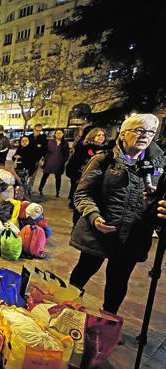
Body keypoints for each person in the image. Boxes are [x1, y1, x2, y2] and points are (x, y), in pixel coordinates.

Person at [69, 114, 164, 315]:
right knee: (82, 272)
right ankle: (67, 309)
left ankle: (108, 322)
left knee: (118, 281)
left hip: (133, 237)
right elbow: (83, 193)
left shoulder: (159, 166)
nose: (145, 136)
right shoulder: (104, 160)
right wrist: (94, 216)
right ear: (123, 133)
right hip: (99, 234)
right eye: (139, 130)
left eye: (150, 132)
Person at [66, 126, 107, 216]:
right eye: (98, 135)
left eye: (103, 135)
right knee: (80, 206)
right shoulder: (84, 147)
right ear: (92, 136)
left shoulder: (106, 150)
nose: (101, 137)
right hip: (81, 178)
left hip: (97, 181)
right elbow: (74, 163)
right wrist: (77, 177)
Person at [38, 129, 70, 197]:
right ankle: (40, 189)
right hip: (49, 161)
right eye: (57, 133)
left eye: (60, 133)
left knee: (58, 178)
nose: (58, 134)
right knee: (45, 176)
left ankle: (57, 192)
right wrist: (44, 159)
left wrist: (64, 161)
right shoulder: (50, 141)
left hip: (59, 163)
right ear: (55, 134)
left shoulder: (65, 143)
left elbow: (67, 154)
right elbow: (45, 151)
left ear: (63, 134)